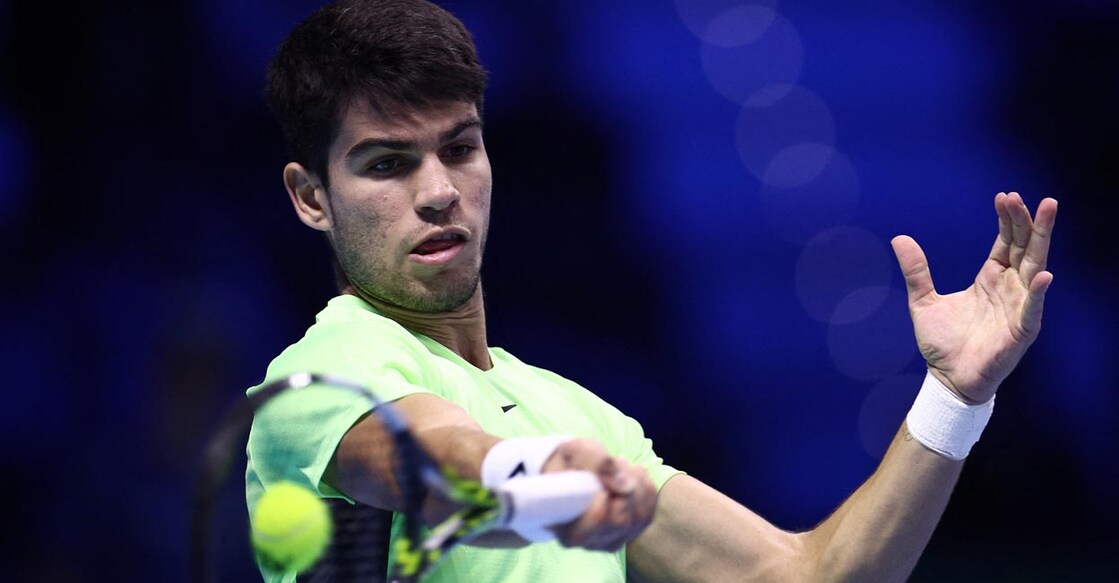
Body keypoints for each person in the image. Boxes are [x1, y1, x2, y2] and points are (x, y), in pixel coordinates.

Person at [245, 0, 1059, 581]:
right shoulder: (313, 381)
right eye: (387, 163)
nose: (437, 192)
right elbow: (437, 457)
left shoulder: (579, 413)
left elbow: (808, 575)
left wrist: (953, 397)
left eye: (458, 149)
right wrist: (545, 485)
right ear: (310, 195)